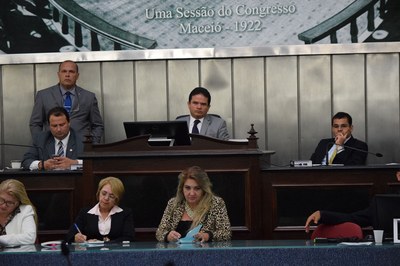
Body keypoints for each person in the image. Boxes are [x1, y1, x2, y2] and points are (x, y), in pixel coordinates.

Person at [29, 60, 104, 143]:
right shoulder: (43, 95)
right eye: (64, 71)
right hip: (51, 147)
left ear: (77, 75)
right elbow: (35, 124)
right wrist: (41, 144)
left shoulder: (89, 97)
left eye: (71, 72)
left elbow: (97, 125)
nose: (67, 75)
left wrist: (92, 146)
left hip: (81, 148)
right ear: (58, 74)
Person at [156, 166, 231, 242]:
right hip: (176, 252)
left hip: (205, 252)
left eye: (197, 188)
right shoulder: (173, 204)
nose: (192, 193)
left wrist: (207, 236)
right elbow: (160, 233)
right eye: (187, 188)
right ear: (182, 188)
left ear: (204, 189)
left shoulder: (216, 203)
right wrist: (168, 236)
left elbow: (226, 233)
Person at [65, 176, 134, 243]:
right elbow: (70, 235)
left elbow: (129, 237)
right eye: (104, 193)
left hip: (116, 252)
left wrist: (106, 243)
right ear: (98, 193)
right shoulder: (85, 213)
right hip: (90, 253)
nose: (106, 198)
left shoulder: (125, 213)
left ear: (117, 199)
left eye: (111, 196)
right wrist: (76, 237)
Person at [22, 106, 84, 171]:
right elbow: (25, 161)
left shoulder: (82, 140)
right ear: (49, 126)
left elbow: (94, 163)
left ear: (69, 123)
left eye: (62, 125)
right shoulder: (40, 139)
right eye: (54, 126)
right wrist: (42, 165)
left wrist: (75, 163)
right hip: (47, 180)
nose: (59, 129)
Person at [0, 179, 37, 246]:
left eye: (9, 203)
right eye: (1, 200)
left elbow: (30, 237)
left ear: (18, 203)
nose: (3, 206)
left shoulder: (25, 210)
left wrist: (1, 239)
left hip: (13, 255)